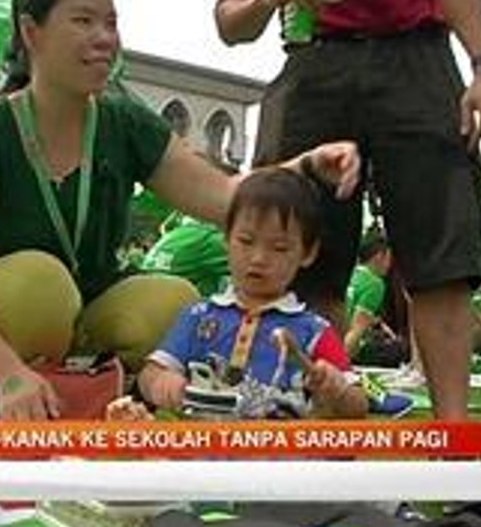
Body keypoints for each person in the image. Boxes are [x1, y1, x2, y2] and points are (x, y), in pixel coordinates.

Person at [0, 0, 360, 421]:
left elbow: (224, 197)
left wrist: (307, 165)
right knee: (38, 284)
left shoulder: (123, 121)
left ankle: (104, 394)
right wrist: (7, 373)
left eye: (111, 23)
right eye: (83, 21)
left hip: (90, 312)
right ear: (32, 32)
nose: (104, 38)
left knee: (173, 303)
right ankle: (16, 395)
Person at [213, 0, 481, 420]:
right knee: (299, 257)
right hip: (313, 63)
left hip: (414, 59)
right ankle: (315, 430)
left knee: (441, 264)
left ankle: (452, 442)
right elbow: (230, 22)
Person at [139, 168, 368, 419]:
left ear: (308, 253)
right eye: (246, 241)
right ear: (227, 238)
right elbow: (150, 373)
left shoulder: (314, 331)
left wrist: (338, 390)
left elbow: (358, 405)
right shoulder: (198, 317)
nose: (258, 258)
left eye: (279, 248)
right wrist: (161, 382)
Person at [344, 233, 401, 366]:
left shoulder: (352, 274)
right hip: (350, 349)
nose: (390, 264)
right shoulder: (375, 284)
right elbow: (357, 327)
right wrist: (342, 362)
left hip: (335, 338)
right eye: (390, 257)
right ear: (379, 256)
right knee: (399, 350)